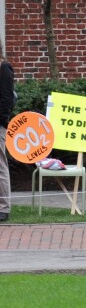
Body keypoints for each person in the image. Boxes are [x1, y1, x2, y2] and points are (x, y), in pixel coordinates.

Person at [0, 55, 15, 221]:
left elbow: (7, 99)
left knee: (0, 167)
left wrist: (2, 122)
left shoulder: (4, 68)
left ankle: (3, 208)